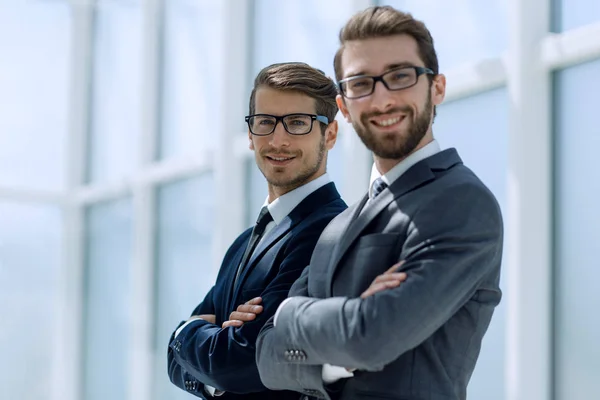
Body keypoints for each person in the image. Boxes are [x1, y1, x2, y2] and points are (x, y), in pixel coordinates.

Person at [255, 6, 504, 400]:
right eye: (361, 83)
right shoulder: (338, 226)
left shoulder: (461, 202)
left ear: (436, 87)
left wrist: (288, 316)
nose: (383, 98)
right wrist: (340, 346)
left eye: (400, 76)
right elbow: (267, 357)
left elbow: (371, 338)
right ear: (344, 108)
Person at [167, 62, 347, 399]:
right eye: (265, 123)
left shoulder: (333, 230)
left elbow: (246, 360)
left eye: (297, 123)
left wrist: (185, 332)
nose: (278, 140)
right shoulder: (241, 244)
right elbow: (188, 365)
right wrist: (214, 359)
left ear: (330, 134)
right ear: (250, 135)